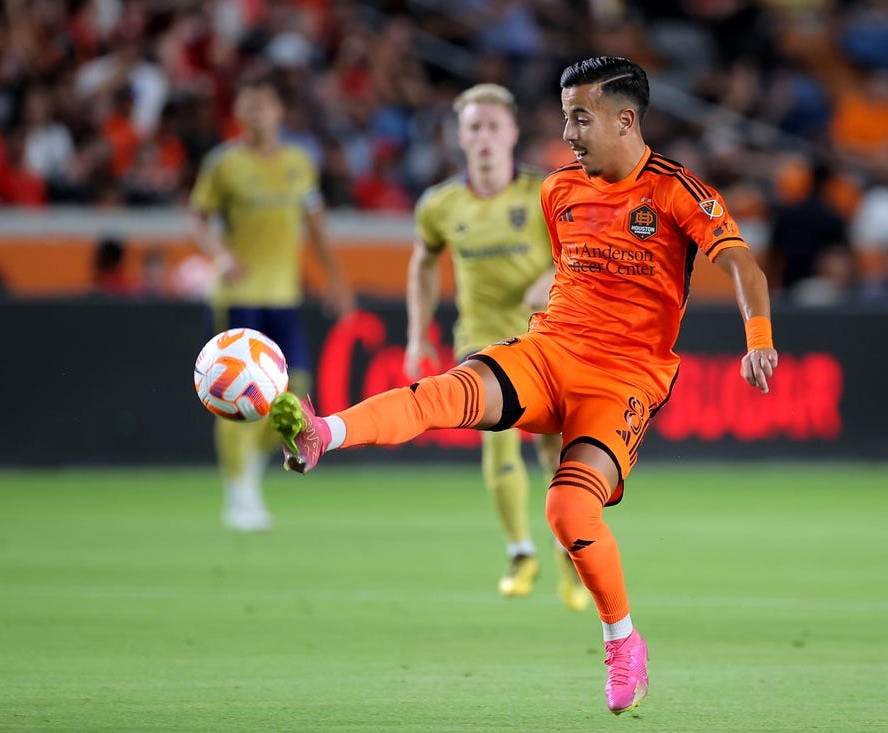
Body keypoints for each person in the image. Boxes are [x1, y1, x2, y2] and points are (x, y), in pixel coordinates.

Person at [270, 57, 778, 714]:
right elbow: (570, 273)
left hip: (624, 378)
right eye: (566, 116)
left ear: (626, 119)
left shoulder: (680, 191)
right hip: (549, 350)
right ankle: (322, 432)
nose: (567, 132)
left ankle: (623, 640)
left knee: (568, 512)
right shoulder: (559, 191)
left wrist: (759, 338)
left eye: (580, 118)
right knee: (442, 393)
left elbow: (743, 265)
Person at [406, 83, 589, 611]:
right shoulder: (440, 205)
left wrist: (553, 276)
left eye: (493, 126)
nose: (484, 136)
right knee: (497, 434)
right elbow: (421, 264)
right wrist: (418, 335)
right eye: (473, 127)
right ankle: (519, 551)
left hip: (547, 336)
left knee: (556, 450)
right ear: (460, 136)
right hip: (482, 339)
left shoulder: (543, 191)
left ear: (511, 132)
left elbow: (583, 251)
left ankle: (567, 556)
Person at [188, 70, 354, 532]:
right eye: (249, 103)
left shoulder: (301, 163)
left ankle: (250, 475)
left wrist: (337, 282)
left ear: (280, 111)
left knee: (291, 394)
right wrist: (220, 254)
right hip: (237, 297)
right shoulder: (223, 164)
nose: (257, 111)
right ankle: (237, 493)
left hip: (284, 296)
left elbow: (317, 227)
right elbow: (196, 219)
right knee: (233, 398)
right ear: (238, 112)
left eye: (265, 102)